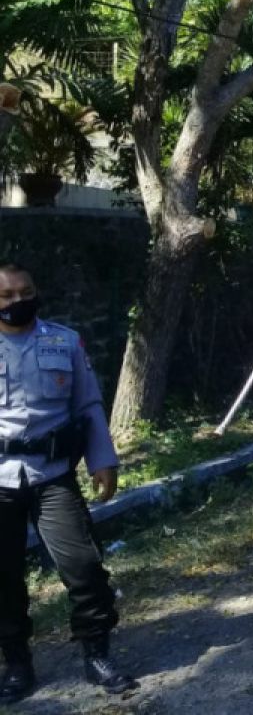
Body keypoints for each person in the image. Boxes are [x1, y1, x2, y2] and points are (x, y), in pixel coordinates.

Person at [0, 263, 137, 704]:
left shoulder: (64, 340)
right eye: (6, 295)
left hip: (53, 474)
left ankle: (96, 654)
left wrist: (103, 460)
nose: (17, 301)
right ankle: (17, 664)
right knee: (3, 579)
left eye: (25, 291)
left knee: (84, 567)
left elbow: (88, 404)